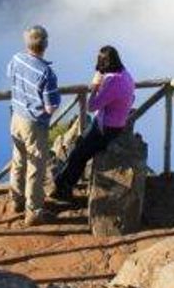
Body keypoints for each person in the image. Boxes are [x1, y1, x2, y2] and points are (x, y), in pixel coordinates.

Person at [52, 45, 135, 200]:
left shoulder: (113, 82)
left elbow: (91, 106)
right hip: (115, 123)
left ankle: (63, 188)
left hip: (106, 128)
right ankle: (63, 183)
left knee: (79, 155)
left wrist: (95, 87)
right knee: (79, 145)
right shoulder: (126, 74)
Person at [7, 25, 61, 226]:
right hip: (34, 124)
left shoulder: (16, 59)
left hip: (16, 118)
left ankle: (16, 201)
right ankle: (34, 213)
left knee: (18, 160)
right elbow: (50, 107)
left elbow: (10, 76)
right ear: (45, 45)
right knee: (35, 168)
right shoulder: (47, 73)